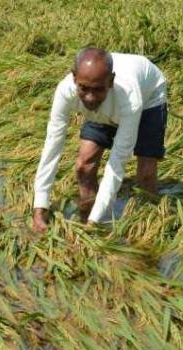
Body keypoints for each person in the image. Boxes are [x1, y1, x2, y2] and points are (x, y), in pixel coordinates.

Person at [32, 47, 168, 233]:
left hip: (149, 99)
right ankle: (87, 212)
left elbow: (117, 163)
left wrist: (93, 224)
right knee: (84, 166)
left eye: (97, 89)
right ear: (74, 78)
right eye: (84, 88)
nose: (89, 97)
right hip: (105, 109)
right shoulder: (66, 91)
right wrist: (40, 205)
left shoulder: (130, 98)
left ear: (110, 81)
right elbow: (52, 145)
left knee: (145, 174)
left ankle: (149, 223)